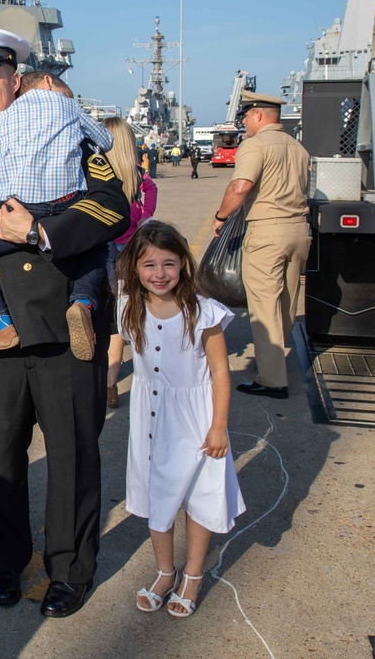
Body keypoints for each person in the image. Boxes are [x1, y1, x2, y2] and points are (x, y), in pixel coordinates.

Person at [0, 26, 130, 618]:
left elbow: (112, 205)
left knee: (72, 452)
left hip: (63, 321)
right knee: (0, 452)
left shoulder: (62, 128)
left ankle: (69, 569)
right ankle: (4, 563)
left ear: (15, 80)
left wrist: (44, 233)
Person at [115, 221, 245, 618]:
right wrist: (105, 386)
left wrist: (219, 425)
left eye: (169, 264)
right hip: (151, 418)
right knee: (159, 496)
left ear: (184, 264)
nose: (159, 274)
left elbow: (221, 372)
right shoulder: (128, 305)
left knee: (199, 497)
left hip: (195, 418)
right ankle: (164, 571)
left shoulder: (202, 311)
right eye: (149, 265)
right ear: (134, 268)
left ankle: (192, 575)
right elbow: (115, 350)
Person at [0, 69, 113, 359]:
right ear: (50, 82)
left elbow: (113, 210)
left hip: (53, 332)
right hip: (69, 201)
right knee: (98, 249)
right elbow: (105, 140)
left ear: (15, 83)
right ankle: (83, 303)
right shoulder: (70, 108)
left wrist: (3, 167)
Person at [212, 91, 311, 399]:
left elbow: (241, 186)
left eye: (245, 117)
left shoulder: (255, 146)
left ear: (258, 116)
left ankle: (272, 379)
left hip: (268, 232)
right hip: (299, 230)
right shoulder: (298, 148)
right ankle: (276, 357)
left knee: (264, 304)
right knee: (287, 301)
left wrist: (220, 216)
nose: (243, 122)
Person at [101, 116, 157, 409]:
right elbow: (152, 190)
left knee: (111, 320)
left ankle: (109, 387)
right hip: (133, 248)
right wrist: (145, 216)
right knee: (134, 313)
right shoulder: (136, 173)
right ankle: (146, 378)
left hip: (106, 248)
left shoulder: (98, 171)